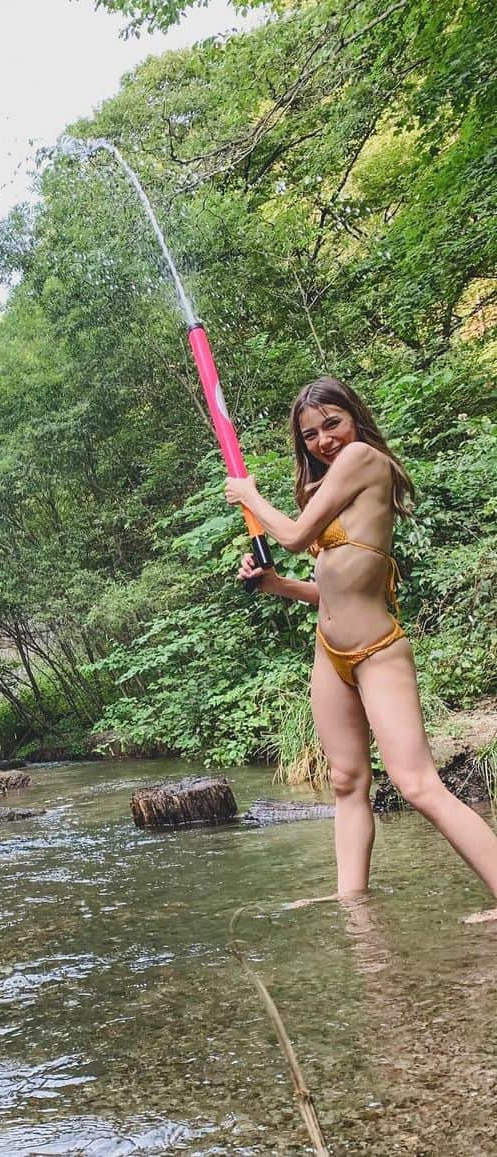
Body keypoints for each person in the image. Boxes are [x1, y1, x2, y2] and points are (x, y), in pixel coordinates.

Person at [224, 376, 497, 921]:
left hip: (377, 649)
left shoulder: (363, 459)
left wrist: (250, 495)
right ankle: (354, 904)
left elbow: (297, 536)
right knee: (347, 782)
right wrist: (275, 586)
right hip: (330, 652)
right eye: (311, 435)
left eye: (332, 424)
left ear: (354, 418)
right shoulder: (332, 486)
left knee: (418, 784)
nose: (324, 440)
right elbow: (330, 588)